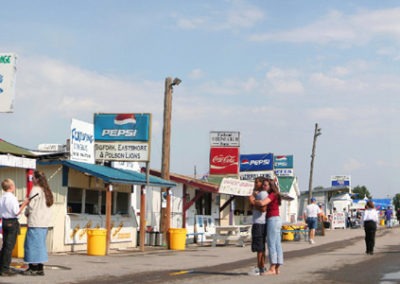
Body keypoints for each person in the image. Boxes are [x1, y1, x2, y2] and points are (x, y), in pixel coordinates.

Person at [22, 170, 54, 276]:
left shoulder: (35, 189)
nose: (32, 180)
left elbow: (31, 205)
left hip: (36, 221)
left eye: (33, 178)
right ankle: (40, 268)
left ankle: (33, 268)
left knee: (31, 245)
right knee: (40, 245)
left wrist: (26, 212)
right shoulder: (47, 191)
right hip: (45, 222)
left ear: (36, 179)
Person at [0, 179, 29, 277]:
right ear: (11, 187)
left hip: (4, 221)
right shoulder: (12, 198)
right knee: (9, 247)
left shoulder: (2, 197)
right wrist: (24, 204)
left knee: (5, 246)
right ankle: (5, 269)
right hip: (12, 222)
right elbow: (16, 212)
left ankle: (2, 266)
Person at [255, 178, 283, 275]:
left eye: (266, 185)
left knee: (271, 244)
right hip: (277, 219)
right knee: (277, 244)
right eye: (263, 185)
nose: (263, 186)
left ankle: (272, 268)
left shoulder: (272, 194)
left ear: (271, 186)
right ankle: (277, 267)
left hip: (272, 219)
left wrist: (254, 200)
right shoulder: (276, 194)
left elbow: (263, 203)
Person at [248, 177, 267, 276]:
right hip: (258, 222)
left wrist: (252, 201)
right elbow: (252, 207)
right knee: (260, 247)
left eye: (257, 182)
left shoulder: (263, 194)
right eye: (254, 182)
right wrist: (253, 200)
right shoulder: (258, 194)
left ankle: (260, 268)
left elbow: (263, 208)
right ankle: (261, 267)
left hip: (260, 223)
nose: (255, 184)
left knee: (260, 247)